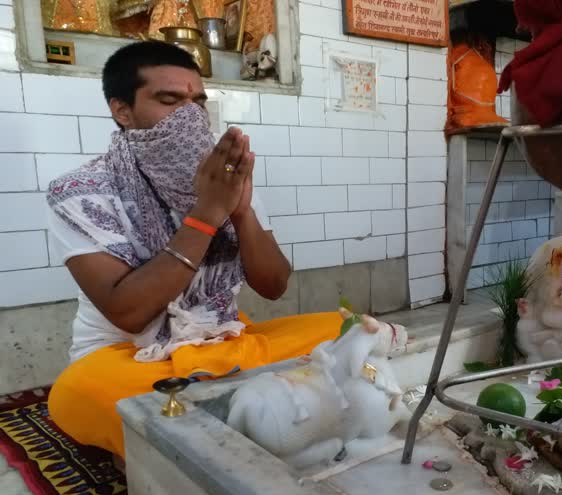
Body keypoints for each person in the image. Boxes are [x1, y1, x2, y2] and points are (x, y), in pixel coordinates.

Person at [46, 41, 341, 461]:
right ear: (122, 110)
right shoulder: (80, 191)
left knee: (341, 332)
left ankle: (196, 425)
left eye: (197, 101)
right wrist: (205, 215)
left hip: (218, 335)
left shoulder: (223, 177)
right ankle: (244, 419)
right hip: (130, 356)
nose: (190, 115)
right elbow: (128, 312)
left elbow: (274, 286)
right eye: (169, 100)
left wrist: (240, 212)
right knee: (78, 392)